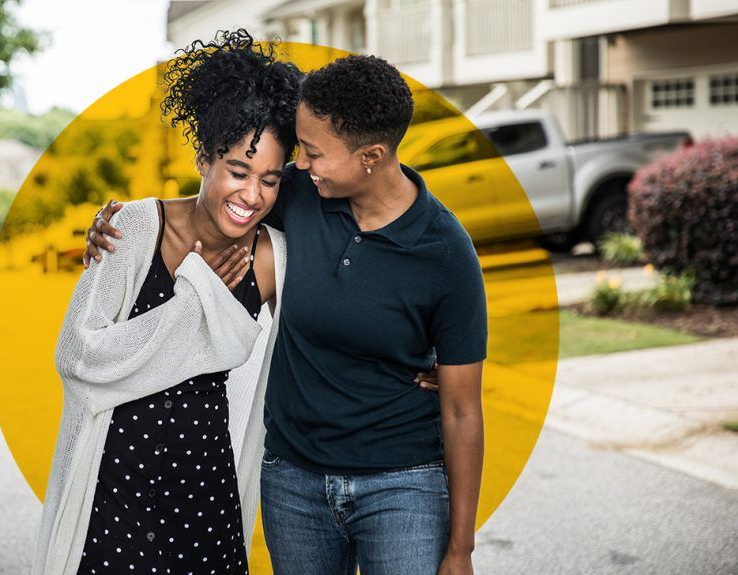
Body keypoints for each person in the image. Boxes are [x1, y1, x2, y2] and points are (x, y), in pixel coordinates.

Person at [86, 54, 487, 575]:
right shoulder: (300, 192)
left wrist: (461, 550)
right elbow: (222, 192)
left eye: (314, 153)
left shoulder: (445, 253)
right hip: (292, 482)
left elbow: (462, 410)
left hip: (401, 484)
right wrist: (130, 222)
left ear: (371, 156)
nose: (301, 164)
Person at [32, 30, 302, 575]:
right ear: (204, 158)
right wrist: (193, 301)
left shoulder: (273, 259)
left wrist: (420, 361)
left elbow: (331, 331)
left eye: (269, 181)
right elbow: (78, 355)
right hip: (113, 484)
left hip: (204, 489)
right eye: (238, 171)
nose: (251, 196)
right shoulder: (135, 228)